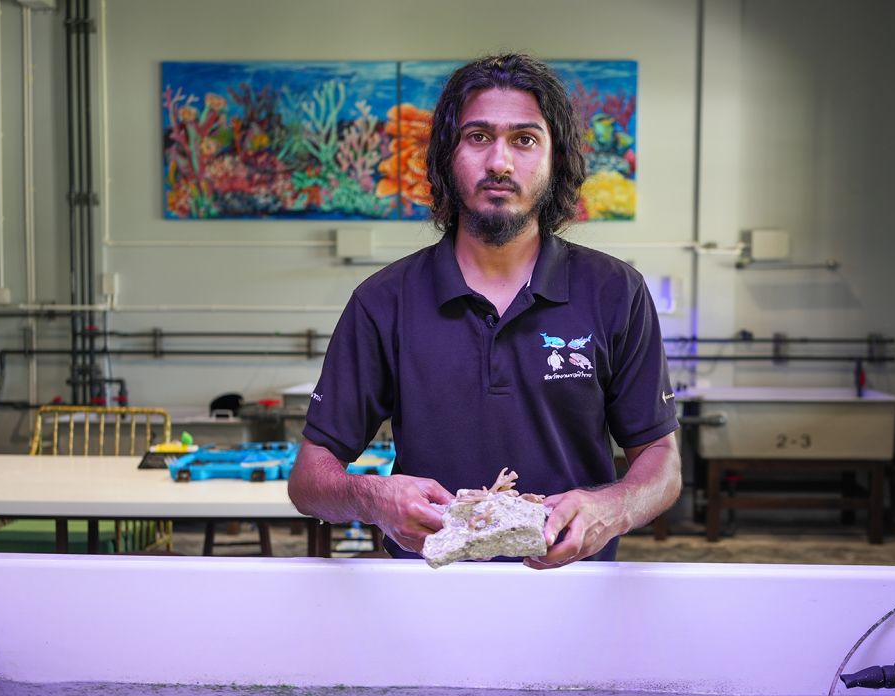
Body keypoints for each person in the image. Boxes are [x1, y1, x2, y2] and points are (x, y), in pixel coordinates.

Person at [288, 53, 680, 569]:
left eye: (524, 139)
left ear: (554, 158)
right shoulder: (384, 301)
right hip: (424, 596)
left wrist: (614, 505)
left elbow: (662, 464)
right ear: (446, 157)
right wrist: (373, 499)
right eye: (477, 137)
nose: (500, 162)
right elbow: (309, 478)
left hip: (573, 593)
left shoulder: (614, 291)